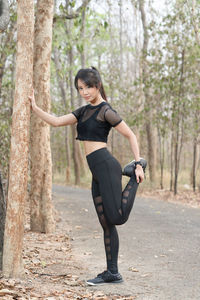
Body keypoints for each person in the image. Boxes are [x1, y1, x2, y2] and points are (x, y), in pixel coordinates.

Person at [29, 66, 146, 286]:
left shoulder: (105, 110)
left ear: (97, 85)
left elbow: (130, 134)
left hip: (107, 166)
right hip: (96, 171)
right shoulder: (82, 112)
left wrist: (138, 164)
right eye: (80, 88)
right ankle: (112, 272)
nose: (84, 92)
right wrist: (35, 107)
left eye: (88, 87)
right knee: (106, 223)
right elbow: (55, 121)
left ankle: (132, 176)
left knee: (117, 217)